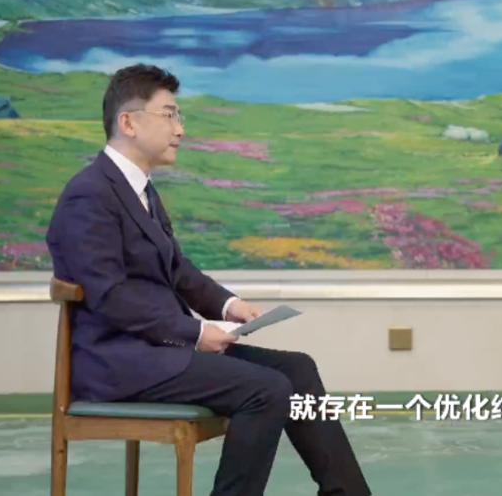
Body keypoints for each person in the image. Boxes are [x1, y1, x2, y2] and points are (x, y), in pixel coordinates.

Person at [46, 64, 370, 496]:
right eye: (169, 115)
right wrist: (196, 333)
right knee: (267, 390)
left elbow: (177, 269)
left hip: (157, 351)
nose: (180, 129)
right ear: (129, 122)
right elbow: (111, 296)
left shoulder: (140, 190)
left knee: (297, 369)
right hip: (119, 362)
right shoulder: (89, 194)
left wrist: (229, 306)